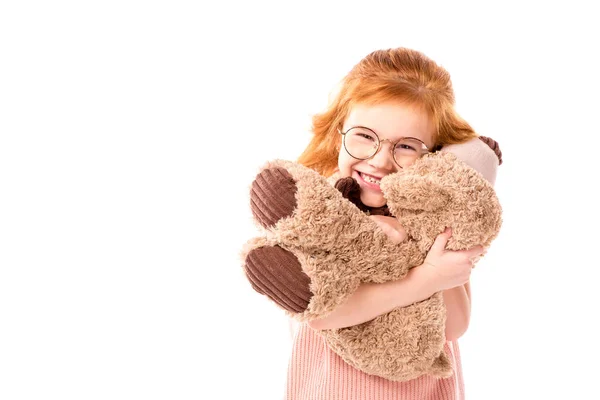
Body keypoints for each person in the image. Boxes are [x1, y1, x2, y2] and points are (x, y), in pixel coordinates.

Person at [247, 47, 502, 399]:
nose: (380, 161)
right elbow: (324, 314)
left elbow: (455, 325)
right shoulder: (315, 209)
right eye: (365, 136)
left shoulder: (432, 220)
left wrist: (436, 260)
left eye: (408, 147)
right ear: (339, 131)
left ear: (435, 153)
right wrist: (425, 278)